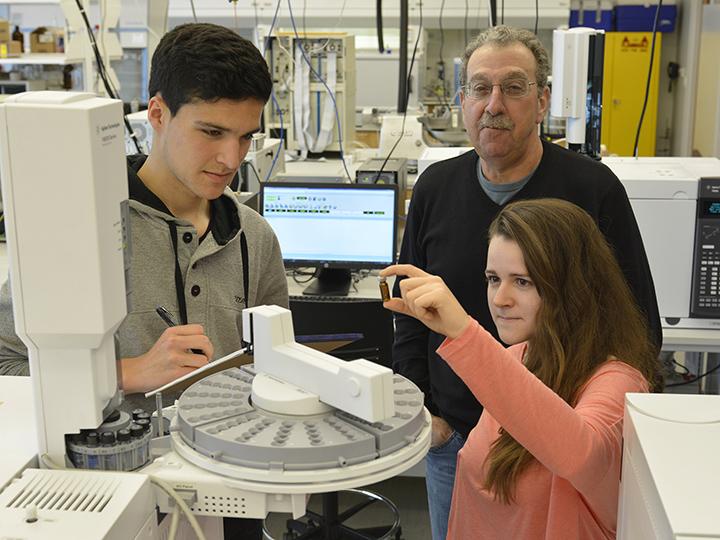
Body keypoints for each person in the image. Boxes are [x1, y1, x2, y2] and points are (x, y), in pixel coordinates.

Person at [0, 23, 288, 538]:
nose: (232, 159)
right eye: (212, 132)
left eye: (246, 136)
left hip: (234, 494)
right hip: (115, 499)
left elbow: (275, 369)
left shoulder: (255, 237)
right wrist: (124, 373)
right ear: (157, 113)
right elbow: (5, 362)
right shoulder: (81, 232)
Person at [393, 25, 662, 540]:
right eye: (479, 88)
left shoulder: (591, 189)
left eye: (513, 88)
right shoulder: (435, 187)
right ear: (462, 100)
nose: (493, 104)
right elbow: (412, 312)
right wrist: (428, 412)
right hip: (460, 438)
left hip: (554, 446)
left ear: (542, 102)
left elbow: (638, 325)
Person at [383, 198, 658, 539]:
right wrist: (435, 433)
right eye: (493, 278)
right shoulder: (518, 357)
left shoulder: (618, 382)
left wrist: (465, 334)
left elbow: (580, 454)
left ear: (574, 288)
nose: (500, 299)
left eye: (523, 282)